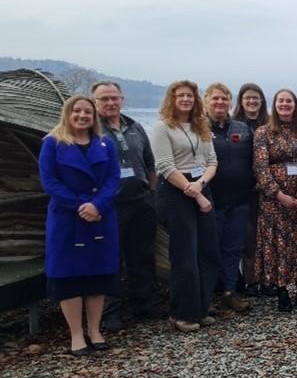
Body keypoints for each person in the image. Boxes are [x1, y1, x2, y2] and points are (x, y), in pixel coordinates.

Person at [39, 95, 120, 354]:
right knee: (69, 276)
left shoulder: (105, 143)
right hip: (67, 218)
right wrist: (79, 205)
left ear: (94, 115)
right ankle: (76, 334)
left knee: (98, 273)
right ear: (68, 113)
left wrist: (98, 205)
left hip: (100, 216)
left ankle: (95, 330)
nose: (82, 116)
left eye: (87, 112)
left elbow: (113, 178)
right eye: (77, 111)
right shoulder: (52, 143)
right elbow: (49, 181)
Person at [150, 81, 220, 332]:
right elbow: (165, 166)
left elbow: (212, 161)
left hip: (201, 185)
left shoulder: (201, 126)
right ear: (172, 99)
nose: (185, 100)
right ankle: (181, 313)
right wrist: (194, 192)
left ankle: (201, 308)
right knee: (184, 256)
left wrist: (201, 185)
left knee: (207, 252)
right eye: (180, 96)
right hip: (176, 193)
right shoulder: (162, 128)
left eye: (189, 96)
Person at [91, 81, 158, 328]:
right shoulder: (90, 129)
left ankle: (144, 303)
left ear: (122, 99)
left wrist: (151, 192)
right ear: (95, 102)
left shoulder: (135, 126)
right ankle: (110, 312)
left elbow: (150, 163)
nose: (110, 103)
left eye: (114, 98)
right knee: (110, 257)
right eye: (104, 99)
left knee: (142, 254)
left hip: (141, 200)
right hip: (109, 205)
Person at [253, 90, 297, 313]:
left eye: (289, 101)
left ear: (296, 105)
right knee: (278, 246)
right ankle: (281, 293)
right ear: (274, 104)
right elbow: (260, 168)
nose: (285, 105)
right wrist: (279, 194)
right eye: (281, 101)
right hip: (274, 202)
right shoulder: (263, 132)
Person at [205, 83, 254, 315]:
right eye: (215, 99)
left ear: (230, 103)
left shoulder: (242, 128)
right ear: (206, 101)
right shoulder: (199, 129)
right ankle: (206, 295)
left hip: (239, 199)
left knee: (234, 248)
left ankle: (229, 291)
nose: (220, 103)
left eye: (224, 99)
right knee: (209, 247)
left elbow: (256, 159)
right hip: (209, 200)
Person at [233, 83, 269, 296]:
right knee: (246, 236)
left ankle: (266, 279)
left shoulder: (268, 123)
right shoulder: (234, 124)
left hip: (266, 189)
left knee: (264, 235)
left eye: (256, 98)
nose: (252, 101)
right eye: (248, 98)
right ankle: (249, 279)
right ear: (241, 101)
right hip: (243, 188)